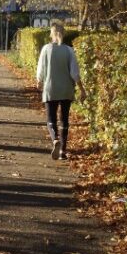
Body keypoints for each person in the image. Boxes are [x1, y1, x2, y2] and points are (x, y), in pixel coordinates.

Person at [35, 22, 87, 160]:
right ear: (63, 34)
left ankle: (55, 139)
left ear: (51, 34)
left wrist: (39, 81)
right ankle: (62, 151)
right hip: (66, 89)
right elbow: (75, 73)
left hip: (50, 88)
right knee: (64, 120)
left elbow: (41, 69)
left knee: (51, 119)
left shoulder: (46, 49)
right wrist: (82, 89)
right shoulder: (69, 51)